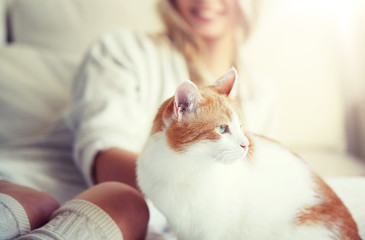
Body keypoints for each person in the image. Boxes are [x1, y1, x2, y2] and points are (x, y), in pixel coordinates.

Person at [0, 0, 275, 239]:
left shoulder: (259, 91)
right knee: (125, 202)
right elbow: (104, 159)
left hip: (126, 222)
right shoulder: (121, 49)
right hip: (34, 188)